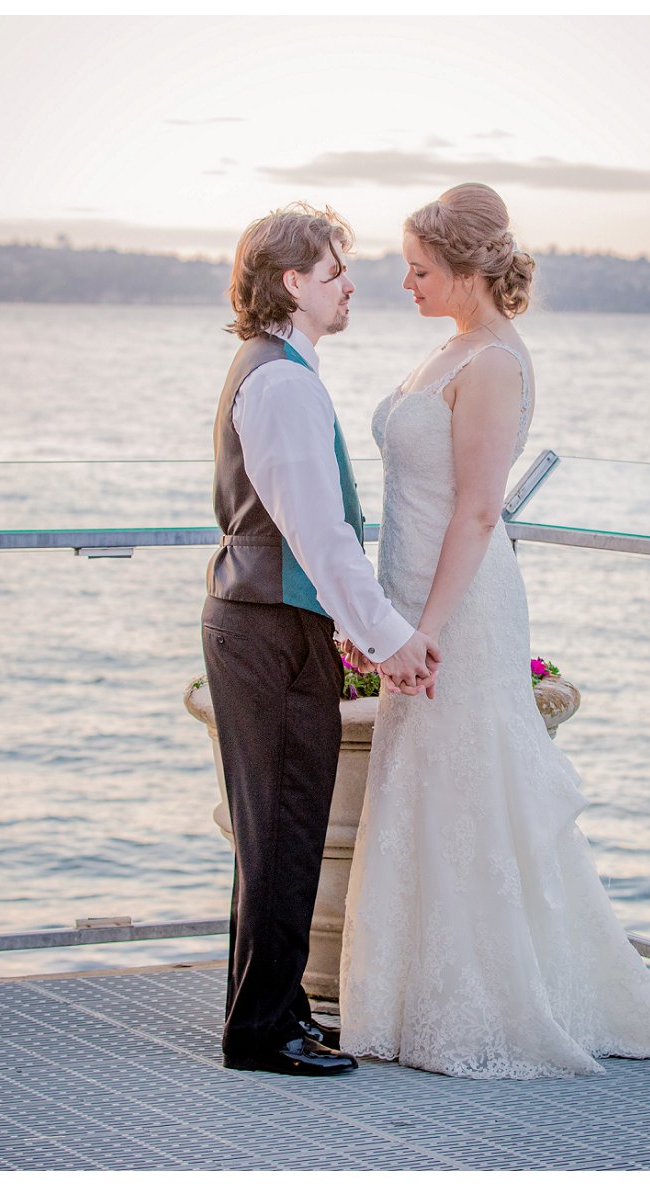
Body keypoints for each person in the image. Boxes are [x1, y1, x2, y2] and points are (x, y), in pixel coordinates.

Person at [336, 183, 650, 1078]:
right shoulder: (449, 349)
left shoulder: (491, 362)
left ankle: (499, 999)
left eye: (419, 269)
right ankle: (412, 995)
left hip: (458, 606)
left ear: (464, 269)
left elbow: (478, 513)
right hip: (414, 600)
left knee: (470, 791)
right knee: (426, 789)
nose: (406, 283)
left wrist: (425, 627)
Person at [204, 203, 439, 1077]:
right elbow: (321, 536)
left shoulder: (279, 371)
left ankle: (273, 1013)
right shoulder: (282, 384)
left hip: (268, 625)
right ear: (293, 281)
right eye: (337, 270)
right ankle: (262, 1034)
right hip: (267, 629)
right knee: (285, 830)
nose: (351, 286)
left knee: (280, 831)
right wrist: (388, 639)